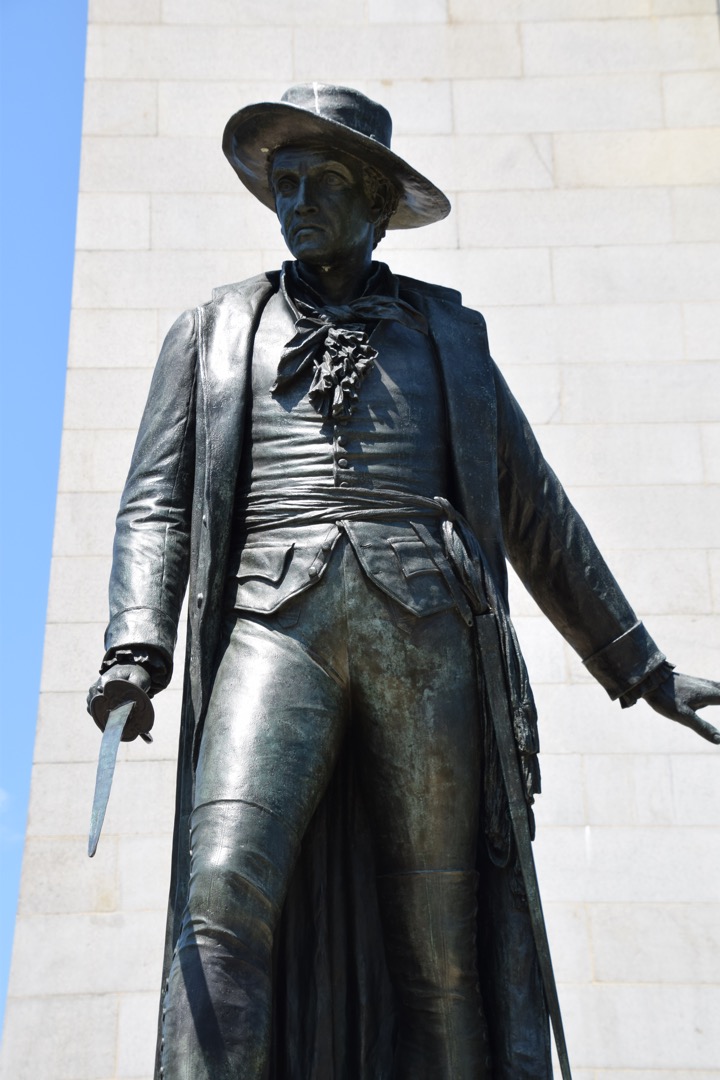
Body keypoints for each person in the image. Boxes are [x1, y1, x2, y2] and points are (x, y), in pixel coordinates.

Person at [89, 84, 720, 1080]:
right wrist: (136, 644)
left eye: (323, 181)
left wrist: (646, 669)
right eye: (282, 182)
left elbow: (536, 513)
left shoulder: (449, 337)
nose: (296, 201)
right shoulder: (214, 329)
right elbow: (156, 498)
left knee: (443, 945)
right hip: (272, 622)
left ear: (379, 202)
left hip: (427, 627)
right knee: (218, 895)